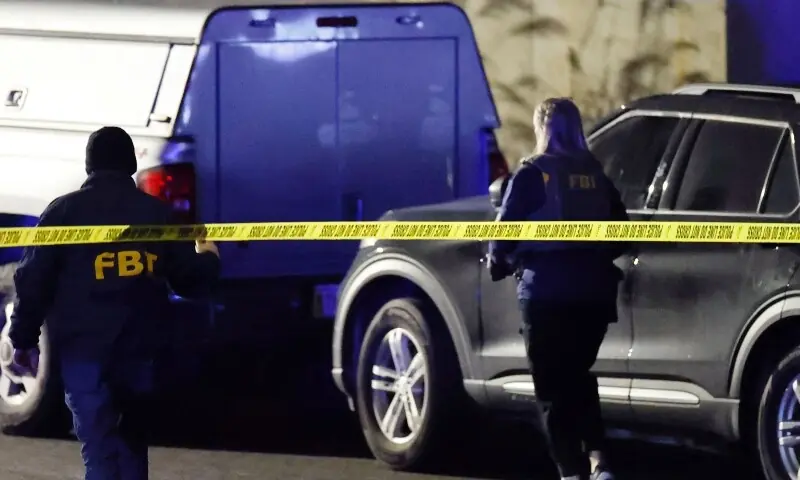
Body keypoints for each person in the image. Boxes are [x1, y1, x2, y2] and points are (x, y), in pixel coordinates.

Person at [7, 126, 221, 480]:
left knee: (100, 450)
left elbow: (32, 282)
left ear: (89, 165)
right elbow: (191, 280)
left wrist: (23, 340)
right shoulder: (156, 215)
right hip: (140, 353)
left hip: (84, 354)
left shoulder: (63, 213)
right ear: (131, 163)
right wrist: (209, 254)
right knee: (133, 446)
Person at [487, 98, 629, 480]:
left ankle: (570, 470)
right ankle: (600, 461)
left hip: (547, 296)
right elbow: (623, 233)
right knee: (578, 376)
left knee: (552, 389)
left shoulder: (535, 173)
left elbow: (503, 234)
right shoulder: (596, 173)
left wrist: (499, 264)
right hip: (594, 296)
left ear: (542, 129)